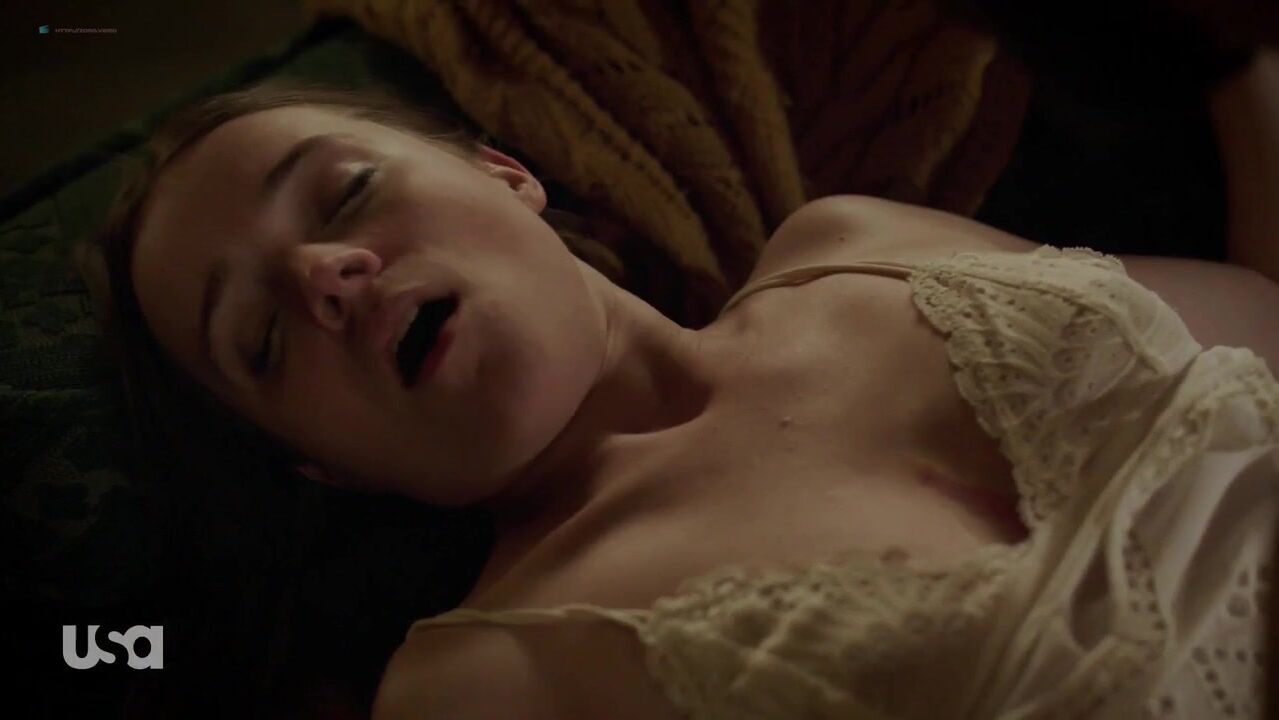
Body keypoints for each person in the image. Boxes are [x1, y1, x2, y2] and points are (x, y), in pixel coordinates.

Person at [90, 63, 1279, 719]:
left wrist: (1239, 71)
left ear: (502, 173)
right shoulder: (483, 682)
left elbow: (1264, 318)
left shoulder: (853, 244)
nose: (323, 277)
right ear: (325, 465)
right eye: (260, 339)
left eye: (344, 194)